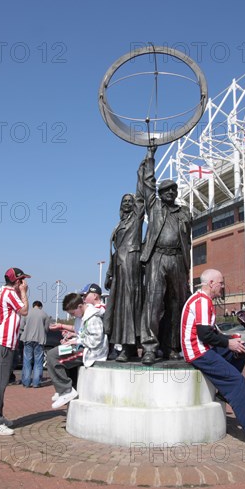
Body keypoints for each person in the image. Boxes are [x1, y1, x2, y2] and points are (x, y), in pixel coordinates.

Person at [181, 269, 245, 449]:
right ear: (211, 283)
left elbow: (209, 332)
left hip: (202, 348)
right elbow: (205, 335)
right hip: (199, 352)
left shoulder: (200, 299)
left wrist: (231, 341)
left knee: (241, 350)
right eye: (220, 283)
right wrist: (229, 344)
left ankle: (222, 391)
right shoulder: (203, 301)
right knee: (237, 382)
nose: (222, 287)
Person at [140, 145, 192, 364]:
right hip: (157, 258)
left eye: (174, 189)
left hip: (178, 259)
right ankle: (150, 348)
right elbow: (147, 184)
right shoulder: (154, 207)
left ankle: (172, 346)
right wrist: (150, 157)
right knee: (153, 303)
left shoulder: (185, 212)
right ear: (160, 194)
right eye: (167, 190)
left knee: (176, 304)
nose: (171, 192)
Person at [103, 154, 145, 362]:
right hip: (119, 269)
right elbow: (113, 252)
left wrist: (142, 170)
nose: (128, 203)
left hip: (131, 264)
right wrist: (109, 273)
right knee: (118, 308)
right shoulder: (118, 225)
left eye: (130, 201)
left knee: (129, 306)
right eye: (124, 201)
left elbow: (140, 197)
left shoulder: (136, 220)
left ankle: (130, 348)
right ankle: (120, 346)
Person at [0, 267, 30, 436]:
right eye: (23, 280)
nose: (25, 283)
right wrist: (23, 292)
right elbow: (24, 310)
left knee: (0, 383)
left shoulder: (2, 291)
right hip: (1, 344)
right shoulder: (10, 293)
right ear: (17, 281)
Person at [46, 293, 108, 409]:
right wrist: (72, 337)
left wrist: (76, 341)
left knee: (55, 359)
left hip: (91, 352)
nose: (72, 316)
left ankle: (66, 390)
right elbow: (82, 333)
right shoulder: (81, 317)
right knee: (51, 355)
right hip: (83, 347)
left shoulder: (93, 317)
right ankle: (63, 389)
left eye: (72, 313)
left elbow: (96, 340)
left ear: (80, 306)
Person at [20, 301, 50, 387]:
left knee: (27, 361)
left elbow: (21, 326)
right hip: (39, 340)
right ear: (40, 306)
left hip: (27, 339)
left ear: (33, 306)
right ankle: (36, 383)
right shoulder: (44, 314)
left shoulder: (26, 313)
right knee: (38, 362)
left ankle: (26, 382)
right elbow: (46, 329)